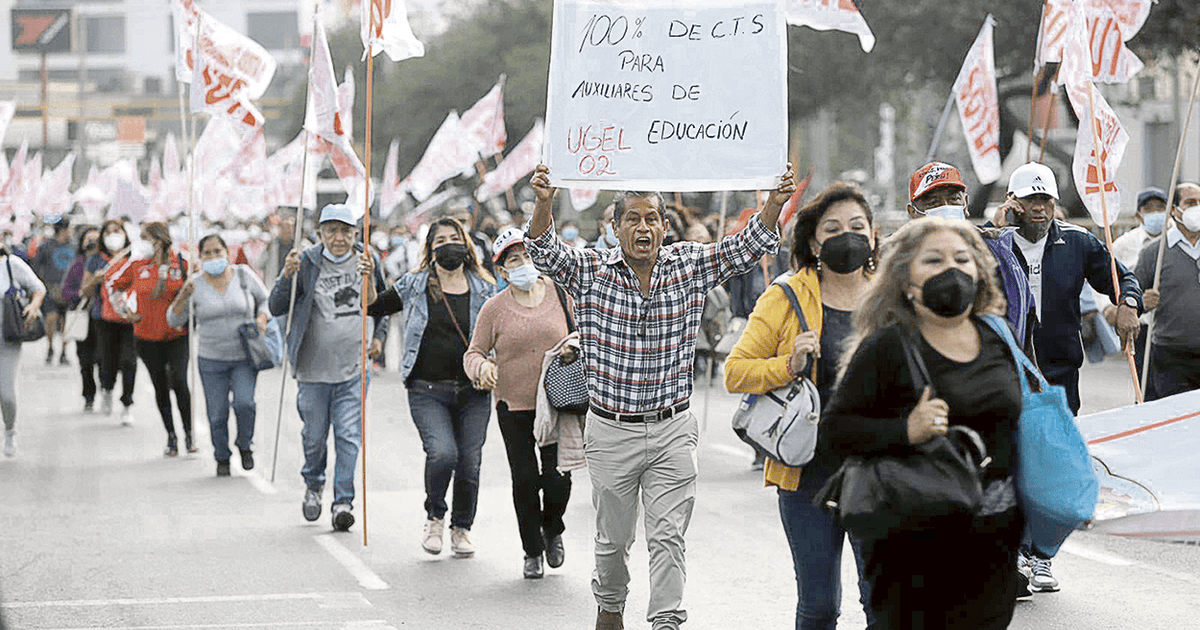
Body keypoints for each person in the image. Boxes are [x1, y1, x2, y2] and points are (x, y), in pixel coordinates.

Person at [525, 162, 794, 630]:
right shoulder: (589, 269)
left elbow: (746, 248)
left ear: (665, 227)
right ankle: (610, 607)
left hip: (672, 429)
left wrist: (773, 202)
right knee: (612, 541)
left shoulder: (688, 265)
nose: (643, 227)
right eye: (632, 218)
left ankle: (665, 619)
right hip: (610, 430)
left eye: (652, 218)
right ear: (615, 228)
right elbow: (543, 251)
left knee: (668, 536)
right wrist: (544, 203)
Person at [821, 217, 1024, 630]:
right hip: (910, 546)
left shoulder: (998, 336)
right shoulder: (887, 347)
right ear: (906, 282)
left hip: (993, 544)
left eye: (962, 259)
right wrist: (904, 431)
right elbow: (835, 433)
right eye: (933, 260)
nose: (951, 269)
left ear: (979, 271)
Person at [725, 183, 878, 630]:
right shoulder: (787, 295)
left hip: (878, 469)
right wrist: (788, 364)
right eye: (833, 228)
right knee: (818, 605)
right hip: (808, 473)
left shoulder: (891, 295)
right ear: (814, 241)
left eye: (856, 226)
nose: (846, 236)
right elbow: (737, 371)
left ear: (872, 235)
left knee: (882, 601)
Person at [366, 216, 496, 556]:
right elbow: (374, 306)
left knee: (469, 461)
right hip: (427, 389)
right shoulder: (415, 283)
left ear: (466, 243)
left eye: (455, 238)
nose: (448, 245)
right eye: (440, 241)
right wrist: (366, 277)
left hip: (474, 391)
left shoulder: (485, 286)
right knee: (442, 453)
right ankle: (435, 517)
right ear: (430, 249)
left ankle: (461, 528)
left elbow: (500, 333)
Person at [463, 227, 574, 578]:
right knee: (525, 479)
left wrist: (574, 347)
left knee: (558, 477)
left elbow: (584, 330)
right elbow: (474, 352)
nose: (523, 264)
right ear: (502, 270)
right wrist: (481, 367)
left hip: (557, 402)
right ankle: (532, 551)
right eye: (514, 260)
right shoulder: (494, 308)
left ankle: (553, 528)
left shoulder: (559, 294)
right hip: (513, 405)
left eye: (527, 256)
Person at [270, 203, 387, 532]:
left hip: (353, 368)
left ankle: (343, 502)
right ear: (320, 233)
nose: (339, 238)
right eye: (332, 231)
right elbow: (277, 305)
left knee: (349, 437)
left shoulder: (368, 260)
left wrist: (379, 335)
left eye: (346, 231)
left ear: (355, 233)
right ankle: (313, 484)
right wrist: (285, 275)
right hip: (312, 370)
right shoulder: (306, 261)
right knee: (315, 437)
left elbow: (381, 304)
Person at [996, 162, 1142, 415]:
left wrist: (1128, 304)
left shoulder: (1077, 241)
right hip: (1003, 367)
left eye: (1046, 199)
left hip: (1060, 369)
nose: (1039, 207)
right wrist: (995, 231)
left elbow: (1123, 279)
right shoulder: (989, 241)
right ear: (1011, 200)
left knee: (1060, 446)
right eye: (1030, 199)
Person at [167, 235, 270, 477]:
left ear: (227, 252)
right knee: (217, 413)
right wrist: (182, 296)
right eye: (208, 254)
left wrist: (262, 318)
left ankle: (245, 445)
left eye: (217, 251)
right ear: (200, 257)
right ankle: (221, 455)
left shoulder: (243, 275)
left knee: (245, 404)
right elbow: (174, 320)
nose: (214, 257)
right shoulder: (194, 284)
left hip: (244, 356)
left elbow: (265, 300)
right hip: (211, 359)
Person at [907, 162, 1034, 349]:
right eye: (933, 203)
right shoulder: (898, 259)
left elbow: (1022, 318)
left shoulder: (999, 253)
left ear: (965, 204)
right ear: (912, 213)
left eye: (953, 199)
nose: (945, 207)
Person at [109, 221, 195, 457]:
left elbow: (197, 288)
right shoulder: (137, 265)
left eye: (146, 237)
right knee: (160, 385)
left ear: (158, 239)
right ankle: (171, 436)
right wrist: (125, 311)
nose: (142, 242)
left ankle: (189, 434)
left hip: (177, 335)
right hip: (147, 336)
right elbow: (113, 285)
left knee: (178, 380)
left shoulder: (182, 263)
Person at [1136, 182, 1200, 399]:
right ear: (1174, 210)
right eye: (1191, 203)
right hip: (1171, 357)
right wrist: (1142, 301)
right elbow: (1131, 298)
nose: (1197, 208)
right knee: (1178, 424)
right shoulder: (1154, 252)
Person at [1105, 186, 1168, 396]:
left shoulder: (1180, 242)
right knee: (1145, 389)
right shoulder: (1124, 245)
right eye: (1149, 208)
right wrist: (1110, 309)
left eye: (1160, 207)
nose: (1155, 212)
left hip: (1173, 330)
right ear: (1138, 214)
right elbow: (1105, 277)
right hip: (1142, 328)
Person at [82, 221, 139, 424]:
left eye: (117, 231)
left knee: (129, 361)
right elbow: (84, 291)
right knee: (107, 361)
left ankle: (127, 404)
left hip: (130, 318)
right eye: (109, 232)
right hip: (104, 319)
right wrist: (94, 282)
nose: (113, 235)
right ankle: (107, 388)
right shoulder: (96, 260)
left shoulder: (134, 258)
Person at [0, 247, 46, 457]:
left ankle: (10, 429)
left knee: (7, 395)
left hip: (7, 340)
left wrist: (34, 307)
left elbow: (38, 288)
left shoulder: (11, 264)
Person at [61, 227, 102, 412]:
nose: (92, 243)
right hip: (82, 318)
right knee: (85, 361)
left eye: (96, 239)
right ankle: (89, 395)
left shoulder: (106, 263)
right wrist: (79, 294)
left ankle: (106, 387)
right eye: (89, 239)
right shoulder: (77, 265)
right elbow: (65, 290)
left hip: (102, 318)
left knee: (103, 359)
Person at [32, 220, 76, 366]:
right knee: (51, 318)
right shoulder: (46, 247)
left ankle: (63, 351)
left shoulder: (74, 246)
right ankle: (50, 347)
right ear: (62, 230)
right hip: (51, 289)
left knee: (67, 323)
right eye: (69, 228)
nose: (71, 231)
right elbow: (37, 267)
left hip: (69, 290)